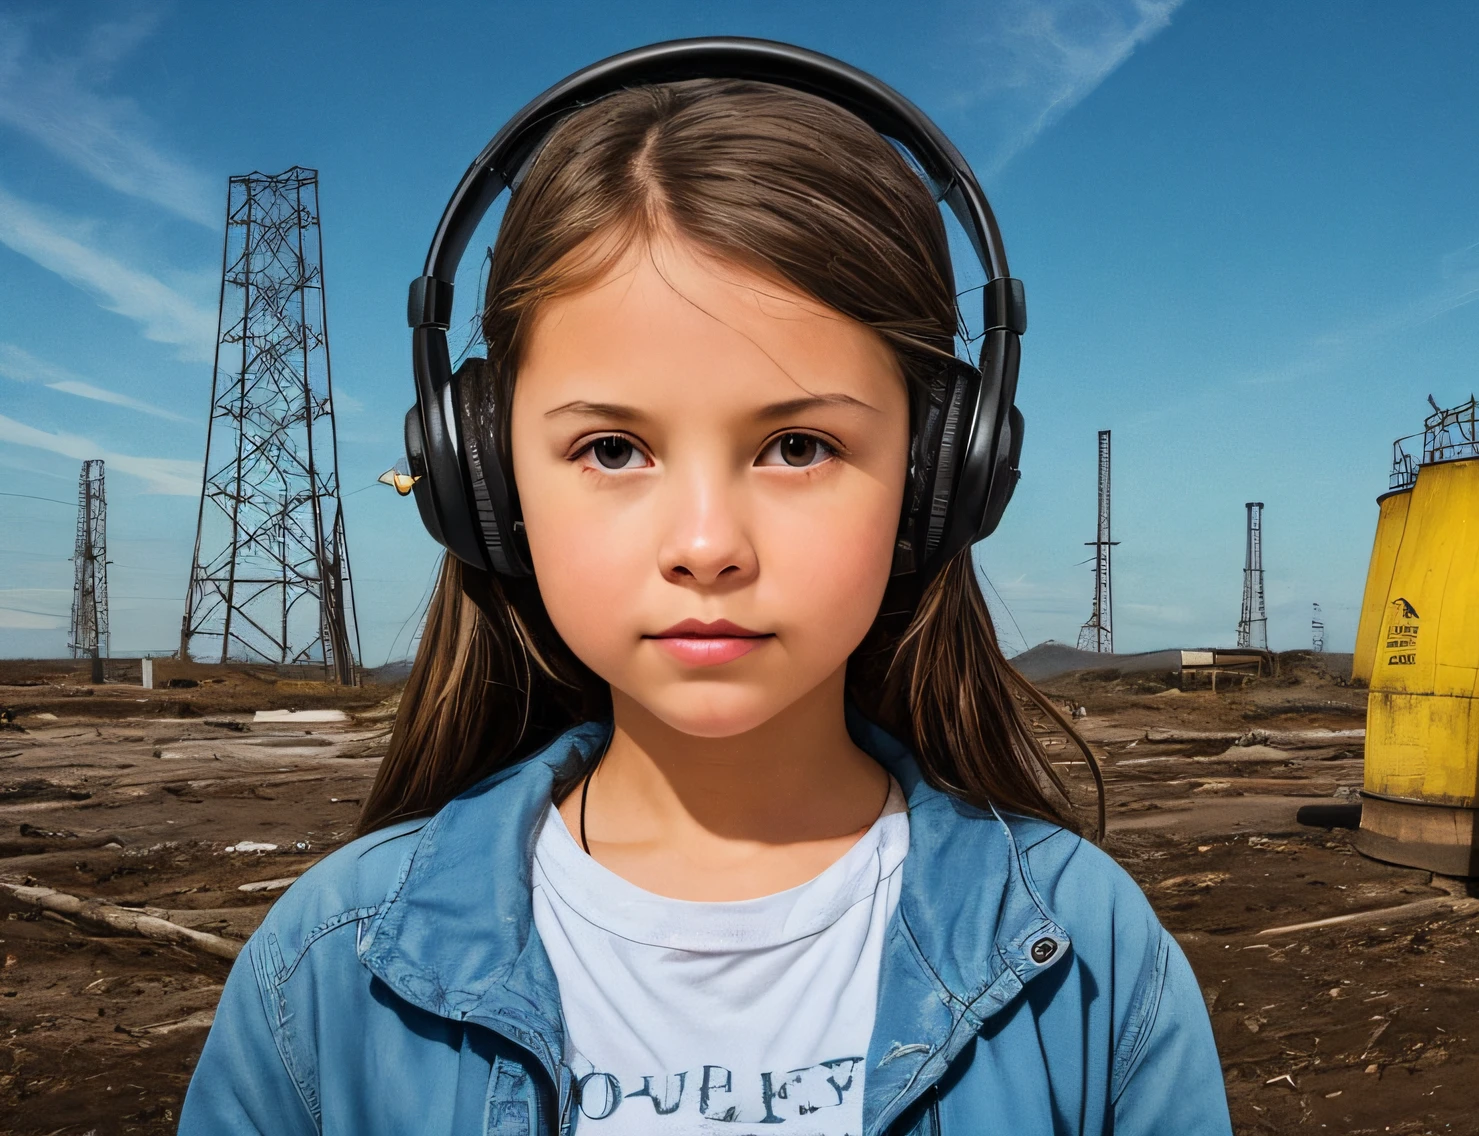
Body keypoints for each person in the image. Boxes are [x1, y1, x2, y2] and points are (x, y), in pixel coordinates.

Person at [178, 39, 1230, 1136]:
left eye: (796, 444)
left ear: (937, 478)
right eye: (612, 449)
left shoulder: (1086, 952)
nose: (705, 544)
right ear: (483, 476)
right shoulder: (330, 969)